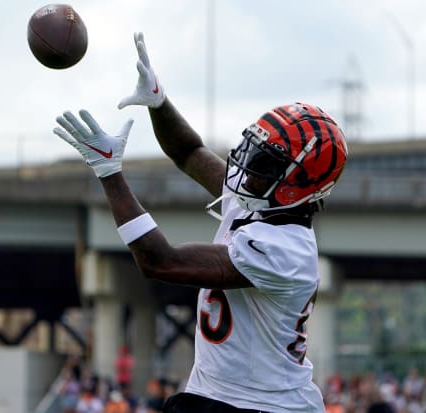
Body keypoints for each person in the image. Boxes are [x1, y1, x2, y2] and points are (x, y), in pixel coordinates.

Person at [53, 32, 348, 413]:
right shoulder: (261, 201)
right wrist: (158, 101)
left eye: (265, 164)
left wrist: (109, 171)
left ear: (299, 186)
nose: (247, 169)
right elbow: (189, 152)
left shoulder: (285, 250)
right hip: (216, 396)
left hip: (262, 407)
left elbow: (160, 261)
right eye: (254, 152)